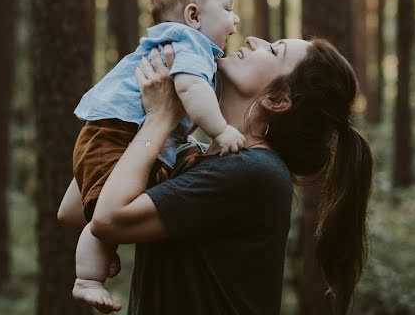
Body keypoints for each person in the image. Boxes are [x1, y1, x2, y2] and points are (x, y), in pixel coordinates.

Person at [77, 35, 374, 315]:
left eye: (272, 50)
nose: (252, 40)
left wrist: (158, 118)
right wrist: (126, 105)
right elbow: (77, 206)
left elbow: (107, 221)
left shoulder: (256, 173)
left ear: (278, 100)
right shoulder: (192, 156)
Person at [68, 0, 245, 312]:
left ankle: (96, 262)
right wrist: (221, 130)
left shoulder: (175, 43)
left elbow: (68, 212)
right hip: (116, 135)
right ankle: (87, 278)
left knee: (109, 208)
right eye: (227, 9)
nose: (235, 20)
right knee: (105, 214)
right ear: (194, 15)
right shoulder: (190, 45)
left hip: (116, 134)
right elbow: (193, 93)